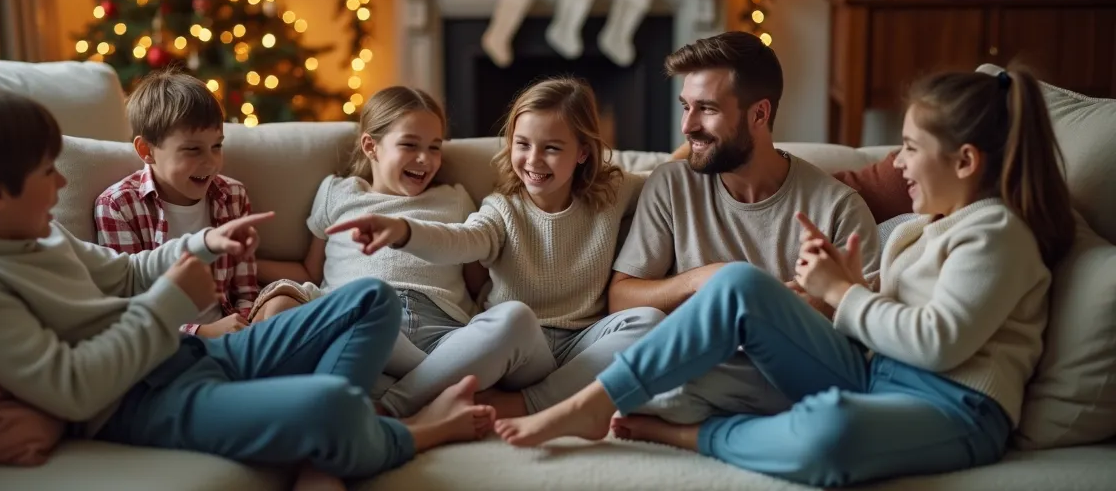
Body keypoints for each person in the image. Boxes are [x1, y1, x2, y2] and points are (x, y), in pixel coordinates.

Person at [493, 67, 1075, 488]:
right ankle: (594, 403)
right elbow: (886, 321)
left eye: (908, 148)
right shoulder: (924, 228)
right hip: (875, 374)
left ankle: (691, 436)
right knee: (739, 286)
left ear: (966, 161)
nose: (897, 163)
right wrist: (840, 295)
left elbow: (939, 342)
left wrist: (844, 293)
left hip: (959, 409)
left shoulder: (997, 233)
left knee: (831, 430)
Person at [0, 86, 494, 486]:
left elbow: (124, 272)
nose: (61, 185)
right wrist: (172, 301)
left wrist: (203, 243)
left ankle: (328, 437)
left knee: (371, 299)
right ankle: (409, 434)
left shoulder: (28, 231)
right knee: (331, 403)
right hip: (139, 402)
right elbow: (75, 390)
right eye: (45, 172)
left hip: (189, 355)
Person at [329, 78, 663, 419]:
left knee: (650, 321)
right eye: (523, 144)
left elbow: (668, 176)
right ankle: (395, 407)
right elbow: (459, 240)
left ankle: (521, 405)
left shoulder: (614, 191)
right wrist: (405, 231)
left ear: (583, 152)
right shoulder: (501, 208)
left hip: (583, 343)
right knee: (515, 316)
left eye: (551, 148)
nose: (533, 160)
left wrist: (693, 145)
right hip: (520, 351)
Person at [607, 31, 879, 424]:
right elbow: (621, 300)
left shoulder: (837, 207)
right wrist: (702, 279)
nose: (687, 125)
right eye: (685, 106)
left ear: (759, 115)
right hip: (697, 362)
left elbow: (869, 334)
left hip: (787, 380)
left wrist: (818, 305)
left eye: (707, 109)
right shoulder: (671, 185)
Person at [255, 86, 551, 418]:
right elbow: (309, 272)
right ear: (371, 146)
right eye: (410, 145)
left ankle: (393, 404)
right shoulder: (338, 192)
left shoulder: (454, 198)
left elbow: (477, 283)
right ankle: (422, 395)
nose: (425, 159)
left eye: (434, 147)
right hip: (360, 322)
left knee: (515, 319)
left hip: (439, 338)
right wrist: (246, 261)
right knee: (280, 305)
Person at [94, 69, 296, 338]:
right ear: (146, 150)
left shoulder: (232, 195)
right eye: (193, 149)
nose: (211, 162)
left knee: (289, 302)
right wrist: (203, 331)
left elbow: (246, 289)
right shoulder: (118, 206)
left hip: (237, 335)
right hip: (170, 345)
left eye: (217, 146)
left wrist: (246, 329)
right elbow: (129, 309)